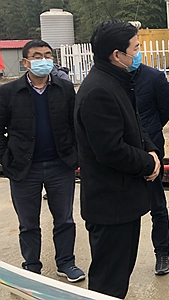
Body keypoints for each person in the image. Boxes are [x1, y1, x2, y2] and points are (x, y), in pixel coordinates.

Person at [75, 19, 161, 299]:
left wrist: (151, 150)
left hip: (123, 201)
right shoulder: (99, 91)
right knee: (109, 283)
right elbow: (110, 149)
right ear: (117, 54)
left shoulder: (116, 81)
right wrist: (148, 163)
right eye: (134, 48)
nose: (137, 53)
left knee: (119, 274)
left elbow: (134, 125)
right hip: (110, 204)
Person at [0, 39, 85, 282]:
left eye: (48, 55)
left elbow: (75, 124)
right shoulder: (8, 92)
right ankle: (32, 267)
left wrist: (75, 154)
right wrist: (7, 159)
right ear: (26, 62)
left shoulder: (64, 88)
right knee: (28, 223)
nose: (44, 60)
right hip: (23, 168)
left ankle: (66, 263)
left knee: (65, 219)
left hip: (60, 165)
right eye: (37, 56)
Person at [133, 62, 169, 275]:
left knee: (157, 204)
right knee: (125, 208)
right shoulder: (112, 78)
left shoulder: (154, 77)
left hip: (152, 152)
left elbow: (167, 108)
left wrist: (151, 131)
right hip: (124, 152)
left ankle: (162, 252)